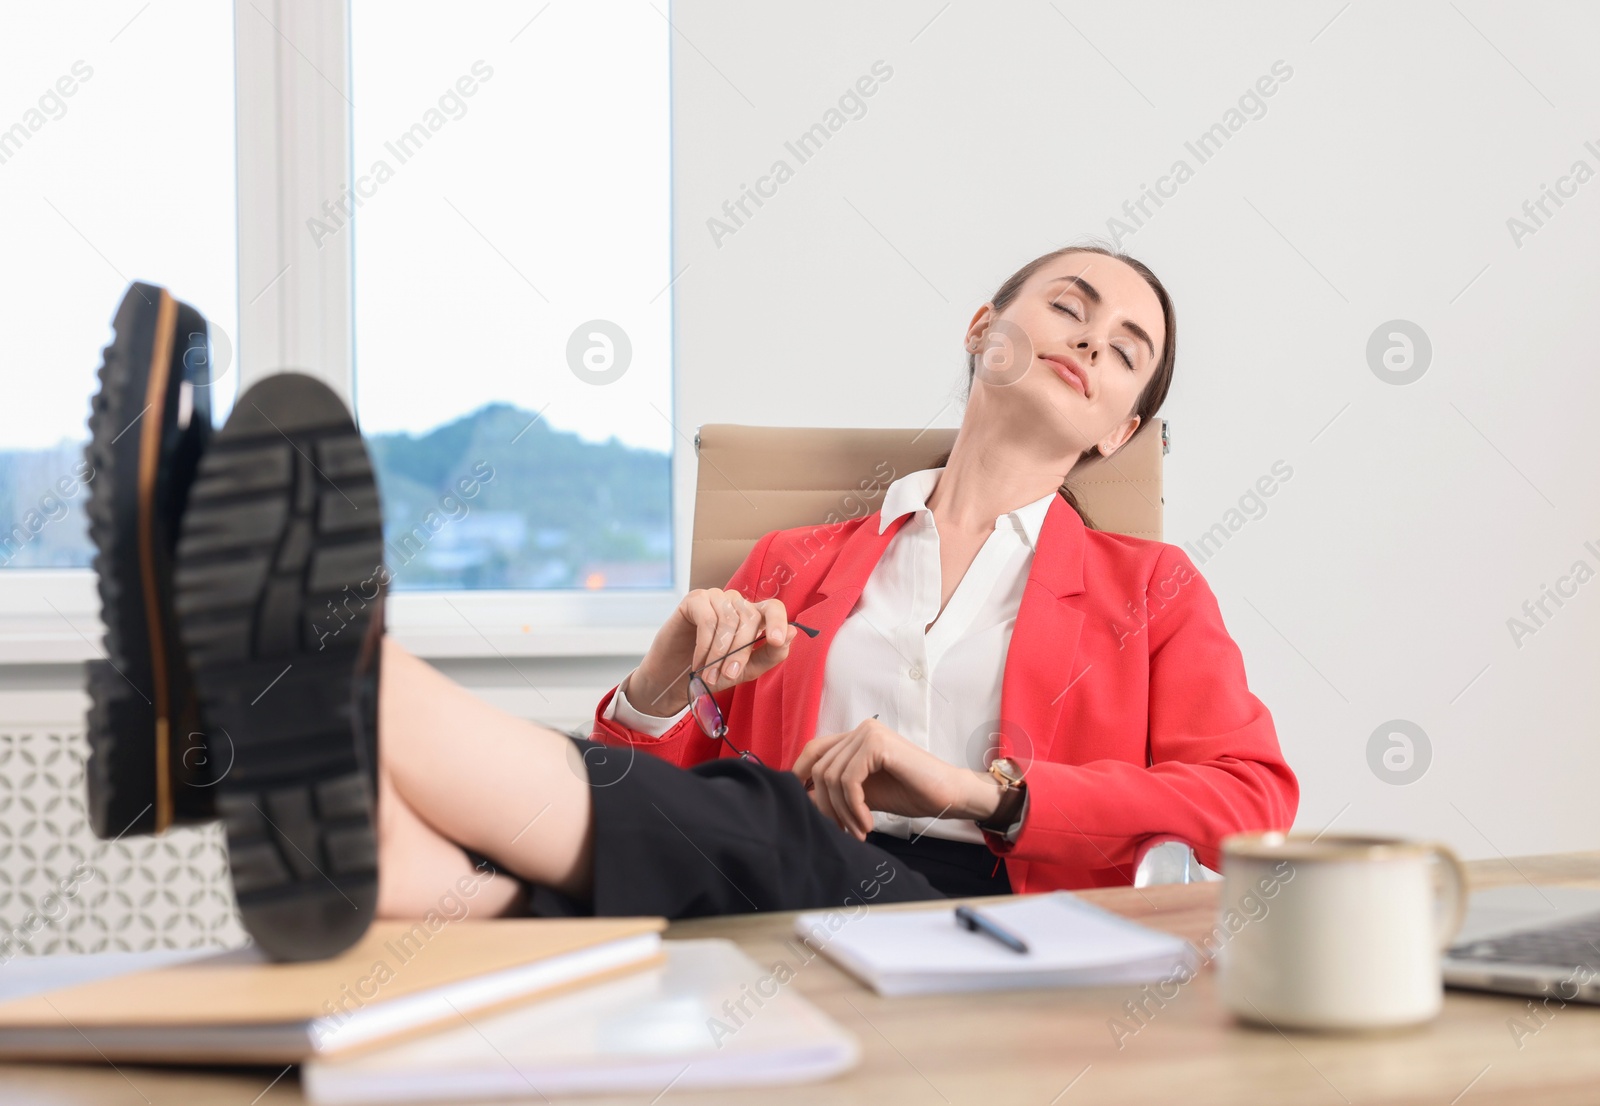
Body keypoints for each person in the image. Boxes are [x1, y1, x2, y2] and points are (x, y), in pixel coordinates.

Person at [591, 244, 1299, 897]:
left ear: (1121, 433)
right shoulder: (786, 563)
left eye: (1122, 351)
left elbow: (1248, 800)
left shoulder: (1153, 589)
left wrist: (986, 794)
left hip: (1005, 920)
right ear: (983, 331)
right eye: (1067, 309)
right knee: (536, 839)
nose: (1089, 341)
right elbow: (646, 810)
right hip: (784, 891)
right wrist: (655, 688)